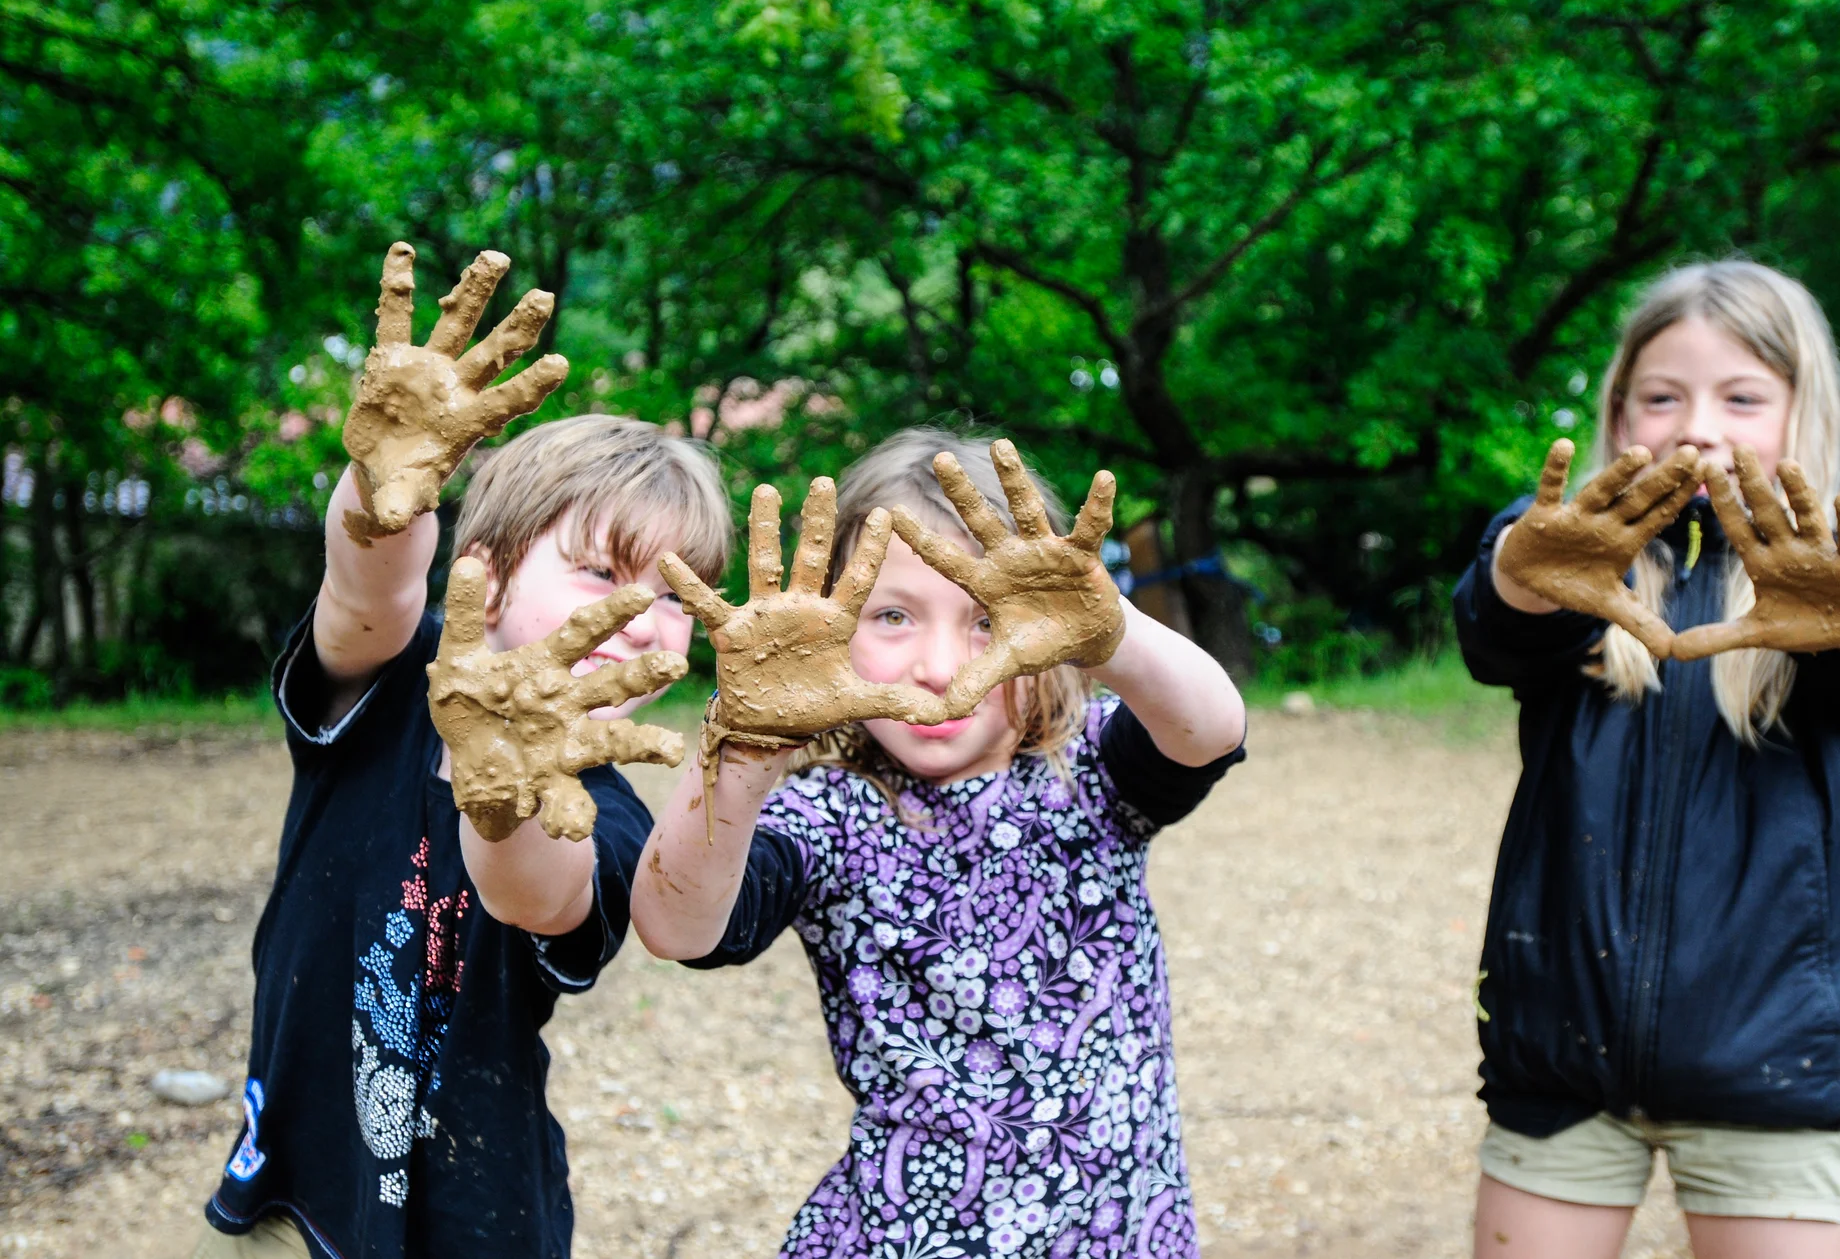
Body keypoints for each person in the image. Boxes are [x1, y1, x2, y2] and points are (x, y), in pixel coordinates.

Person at [197, 244, 731, 1258]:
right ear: (486, 571)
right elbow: (367, 590)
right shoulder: (395, 674)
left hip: (479, 1220)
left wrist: (506, 784)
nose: (639, 614)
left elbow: (535, 892)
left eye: (676, 594)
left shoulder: (607, 808)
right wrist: (384, 490)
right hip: (289, 1192)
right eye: (600, 572)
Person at [631, 428, 1249, 1258]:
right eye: (892, 615)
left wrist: (1117, 633)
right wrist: (740, 748)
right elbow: (676, 927)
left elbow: (1211, 728)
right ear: (833, 626)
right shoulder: (827, 815)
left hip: (1120, 1234)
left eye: (987, 620)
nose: (939, 663)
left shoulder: (1093, 772)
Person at [1453, 260, 1840, 1259]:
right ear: (1619, 411)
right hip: (1562, 1065)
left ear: (1802, 411)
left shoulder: (1839, 573)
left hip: (1776, 1069)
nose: (1697, 427)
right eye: (1662, 397)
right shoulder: (1573, 564)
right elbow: (1496, 622)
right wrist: (1522, 573)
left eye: (1741, 398)